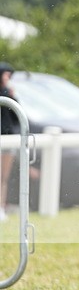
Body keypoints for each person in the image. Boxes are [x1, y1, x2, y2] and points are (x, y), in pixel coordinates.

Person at [0, 62, 19, 221]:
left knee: (3, 178)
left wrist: (12, 96)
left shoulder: (8, 93)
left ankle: (1, 207)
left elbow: (16, 117)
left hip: (7, 138)